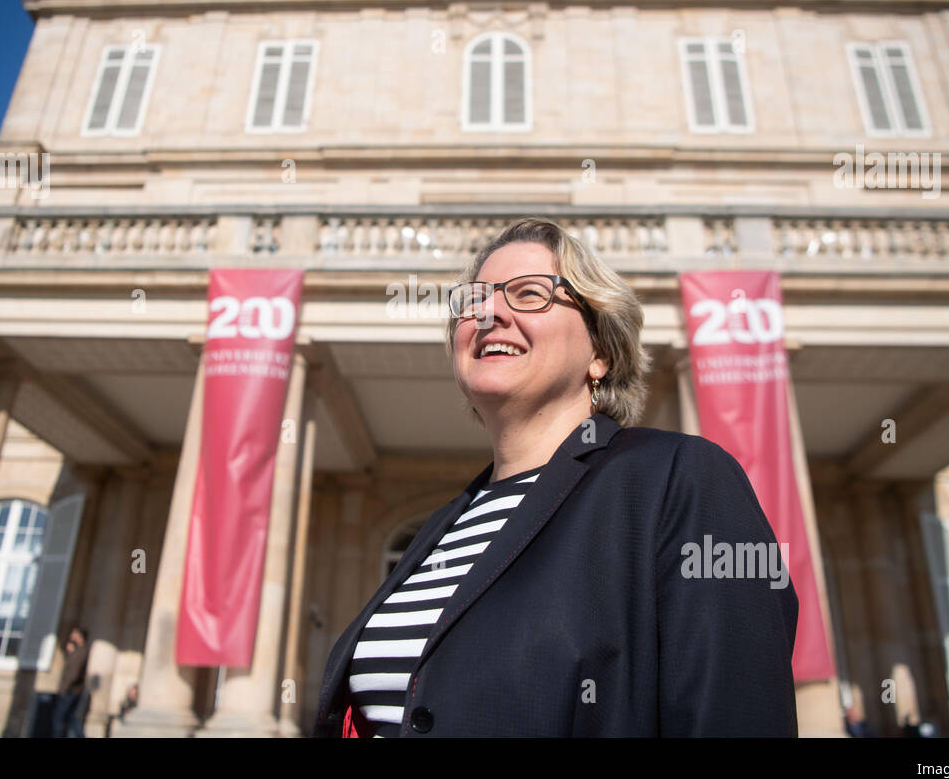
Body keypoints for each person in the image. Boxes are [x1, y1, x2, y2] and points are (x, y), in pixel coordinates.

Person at [311, 217, 799, 737]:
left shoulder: (676, 479)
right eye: (474, 300)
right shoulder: (441, 528)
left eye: (529, 293)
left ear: (600, 352)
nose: (489, 312)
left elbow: (734, 711)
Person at [53, 626, 89, 738]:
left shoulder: (81, 651)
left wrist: (64, 689)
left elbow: (74, 673)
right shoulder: (77, 650)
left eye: (74, 633)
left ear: (80, 636)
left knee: (59, 718)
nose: (71, 635)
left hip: (70, 691)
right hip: (71, 690)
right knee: (71, 718)